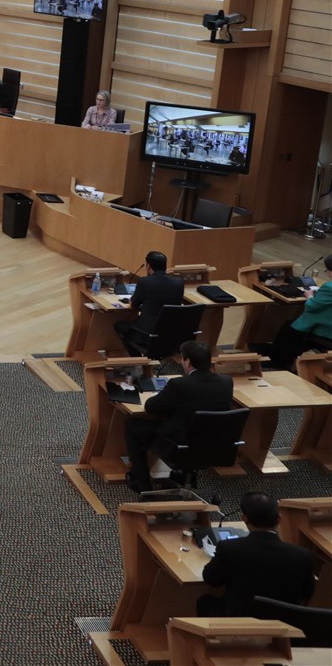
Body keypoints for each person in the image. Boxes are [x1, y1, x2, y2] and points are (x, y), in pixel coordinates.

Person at [123, 340, 234, 493]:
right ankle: (185, 474)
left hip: (179, 446)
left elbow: (150, 407)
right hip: (215, 446)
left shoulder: (179, 385)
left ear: (187, 362)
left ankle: (141, 481)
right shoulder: (226, 382)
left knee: (133, 425)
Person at [197, 492, 317, 616]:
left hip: (239, 622)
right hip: (284, 623)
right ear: (278, 519)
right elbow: (306, 593)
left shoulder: (229, 549)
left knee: (204, 602)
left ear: (244, 518)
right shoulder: (303, 556)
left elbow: (211, 579)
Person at [114, 251, 189, 348]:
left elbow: (133, 304)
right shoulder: (179, 283)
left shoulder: (144, 282)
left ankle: (137, 359)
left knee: (119, 325)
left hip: (146, 333)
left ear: (148, 266)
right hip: (170, 333)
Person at [267, 263, 332, 369]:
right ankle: (279, 354)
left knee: (289, 329)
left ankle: (280, 362)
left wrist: (309, 296)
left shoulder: (329, 288)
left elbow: (311, 306)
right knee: (290, 324)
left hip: (327, 332)